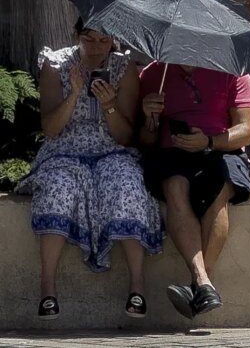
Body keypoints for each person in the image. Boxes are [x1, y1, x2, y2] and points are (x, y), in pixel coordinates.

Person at [16, 19, 163, 320]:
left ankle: (137, 287)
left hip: (112, 149)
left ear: (113, 40)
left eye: (103, 41)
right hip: (64, 149)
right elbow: (51, 129)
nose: (96, 48)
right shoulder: (56, 64)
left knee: (128, 184)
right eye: (89, 39)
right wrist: (75, 94)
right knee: (58, 187)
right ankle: (47, 289)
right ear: (77, 36)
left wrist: (109, 105)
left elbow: (125, 136)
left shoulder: (125, 68)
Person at [138, 62, 250, 319]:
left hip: (220, 149)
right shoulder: (154, 74)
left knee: (219, 191)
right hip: (171, 152)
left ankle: (199, 283)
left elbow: (246, 131)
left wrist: (209, 142)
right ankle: (204, 285)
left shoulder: (234, 72)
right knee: (174, 186)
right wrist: (149, 121)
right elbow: (144, 142)